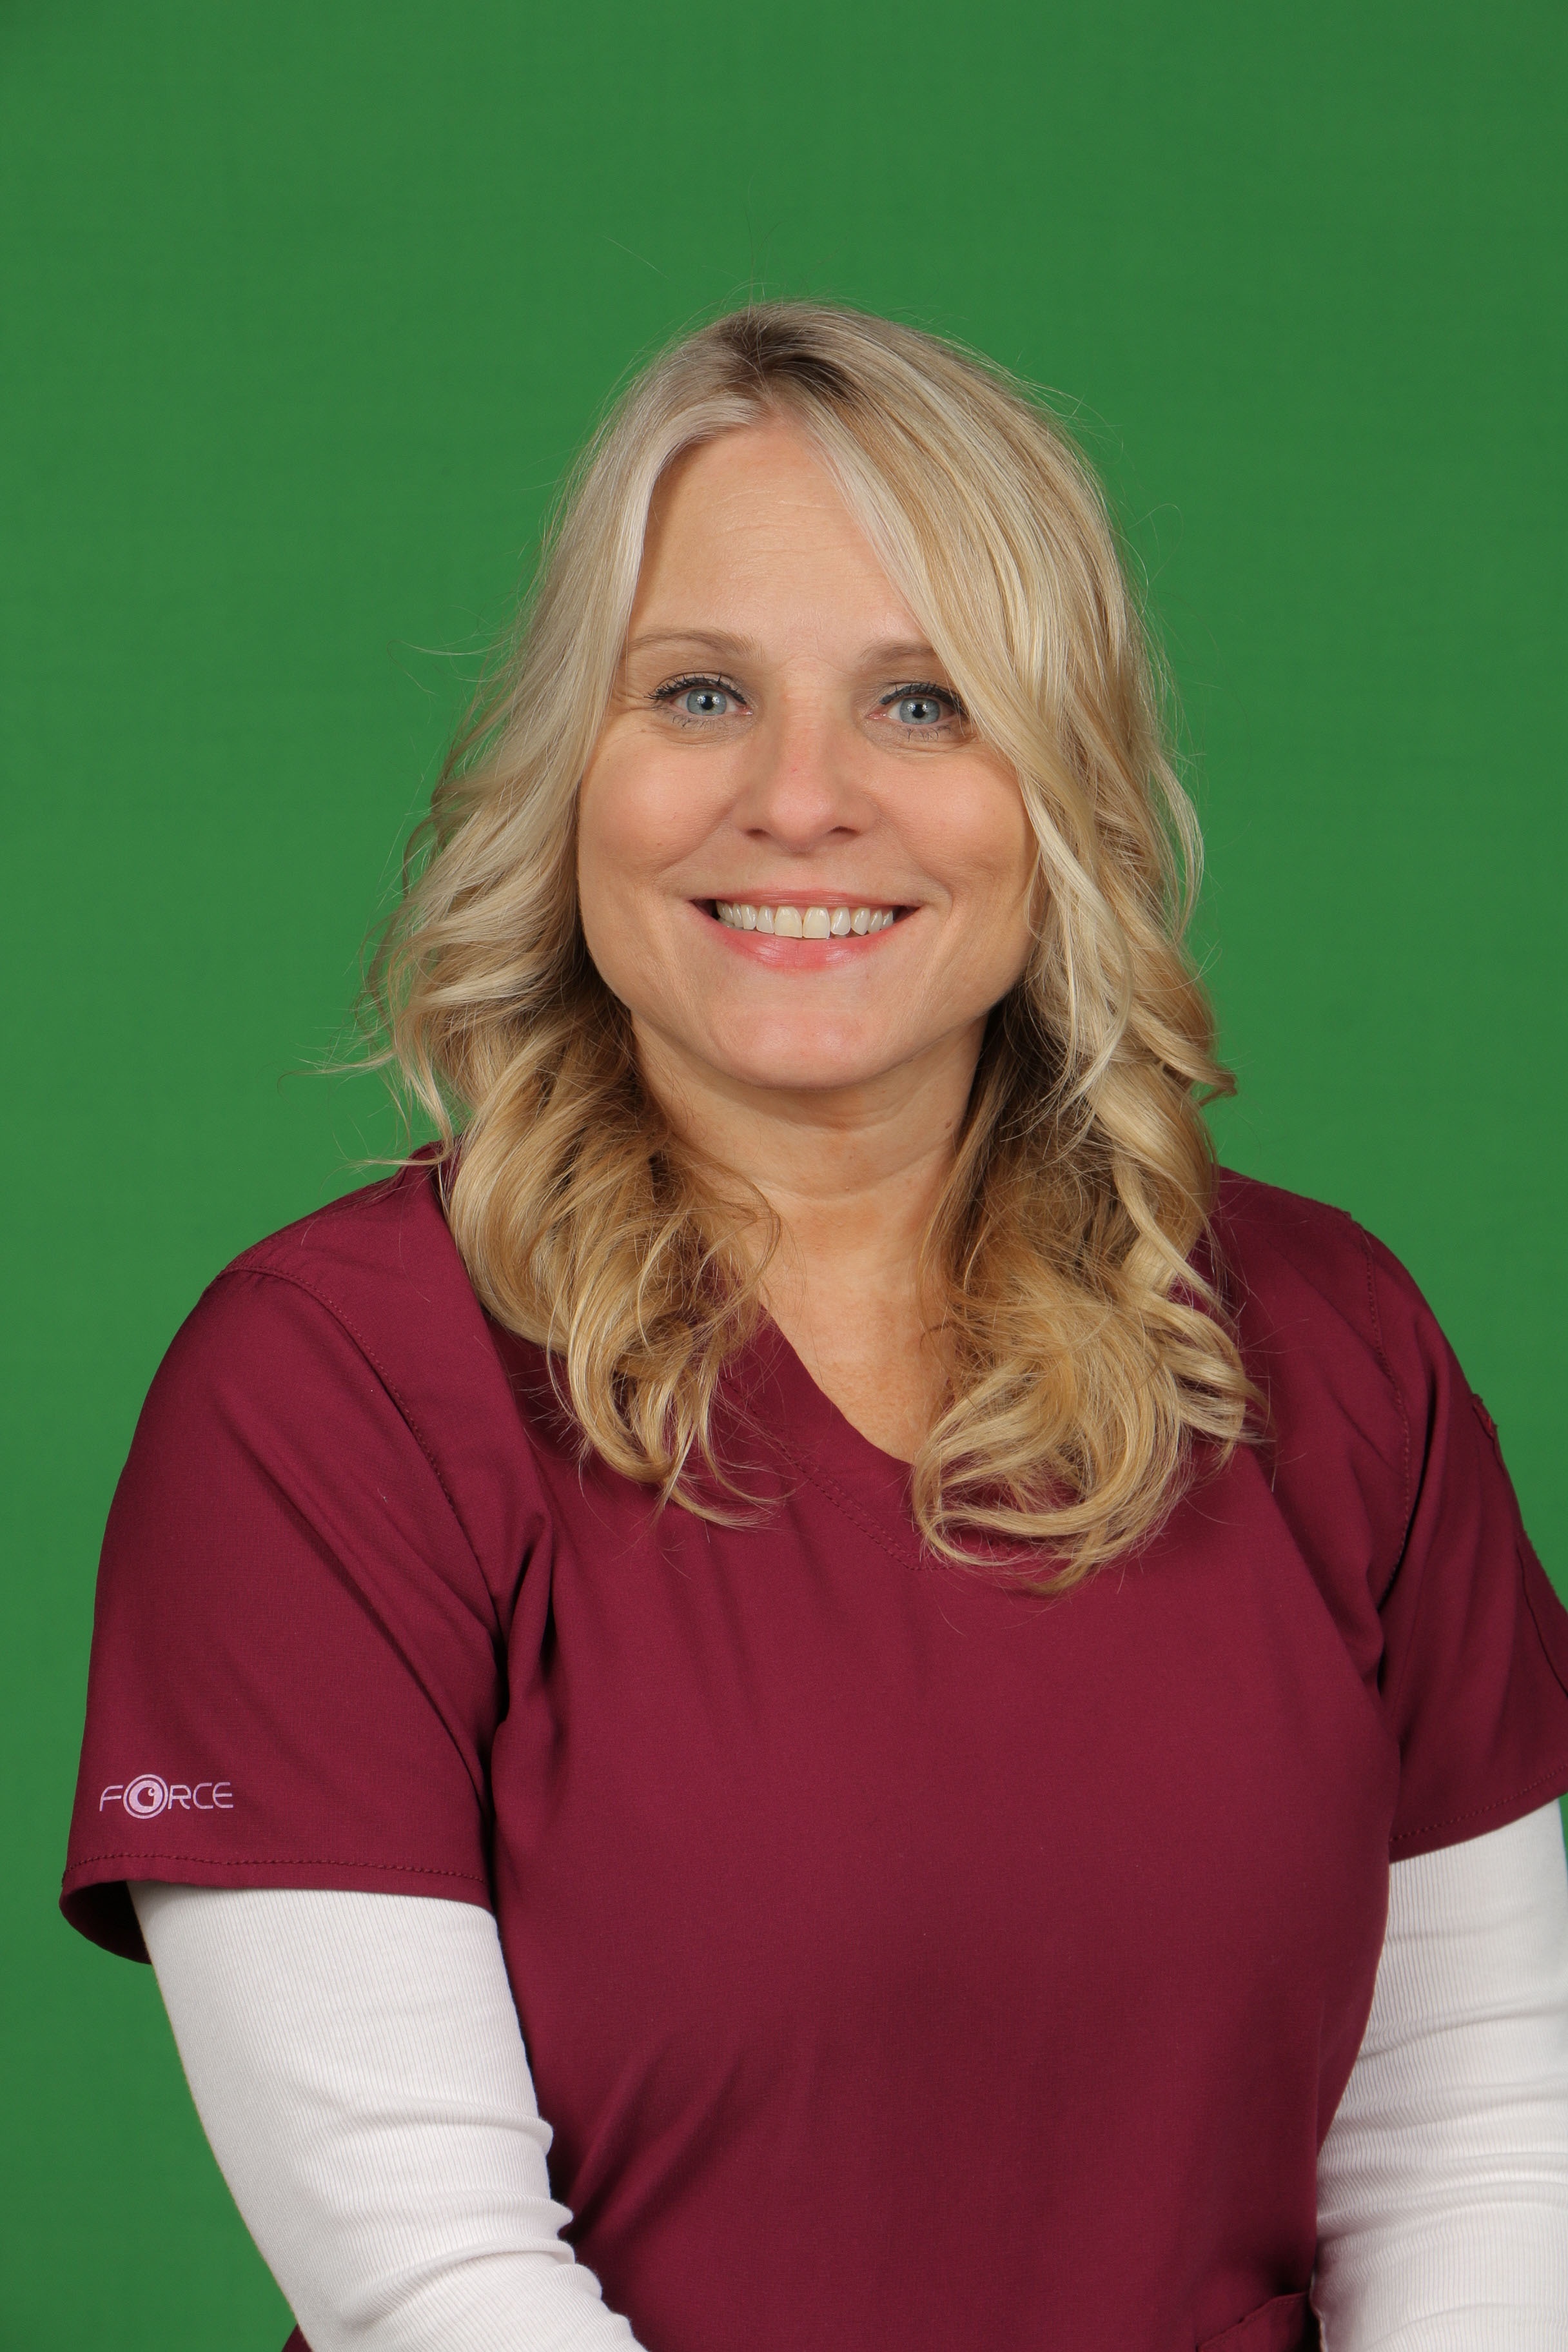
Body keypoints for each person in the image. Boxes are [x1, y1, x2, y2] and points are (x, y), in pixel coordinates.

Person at [63, 304, 1568, 2352]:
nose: (801, 799)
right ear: (571, 772)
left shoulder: (1333, 1345)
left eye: (925, 704)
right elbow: (433, 2284)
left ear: (1063, 792)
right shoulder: (327, 1391)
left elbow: (1474, 2139)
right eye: (699, 692)